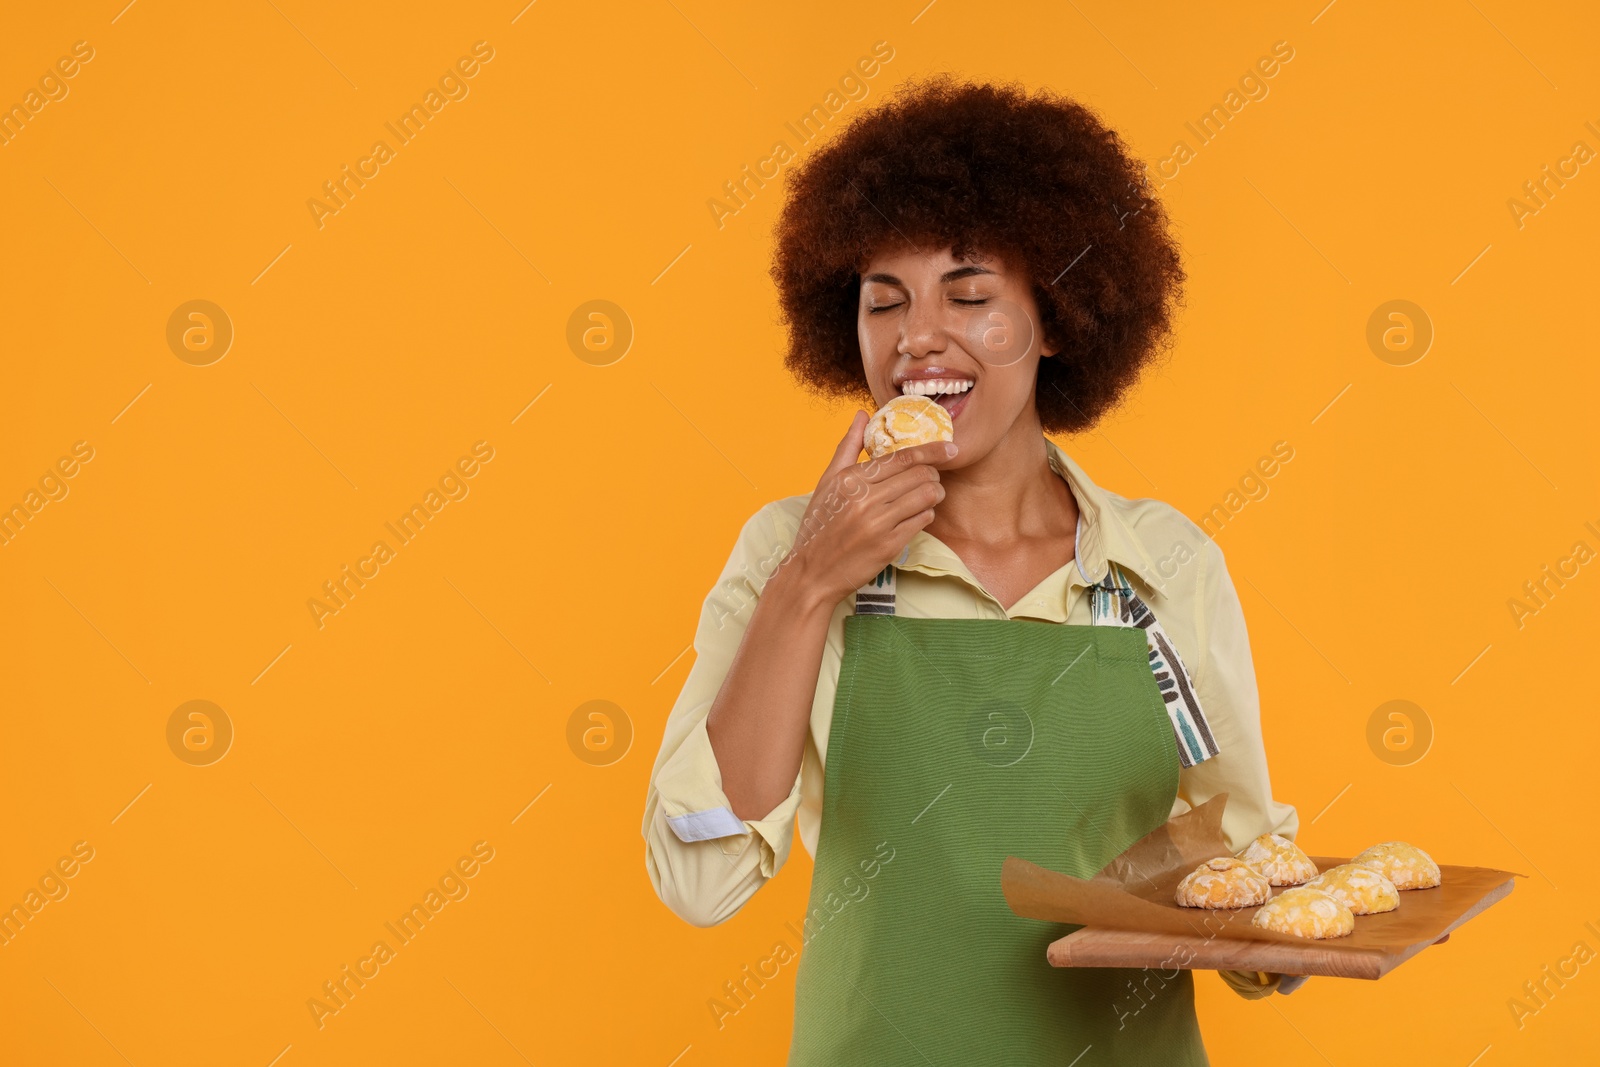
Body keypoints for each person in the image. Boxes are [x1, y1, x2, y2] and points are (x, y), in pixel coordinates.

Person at [643, 75, 1305, 1065]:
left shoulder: (1162, 565)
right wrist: (808, 581)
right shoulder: (786, 552)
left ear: (1056, 317)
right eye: (884, 301)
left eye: (970, 294)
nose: (918, 337)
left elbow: (1230, 843)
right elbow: (700, 881)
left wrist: (1284, 937)